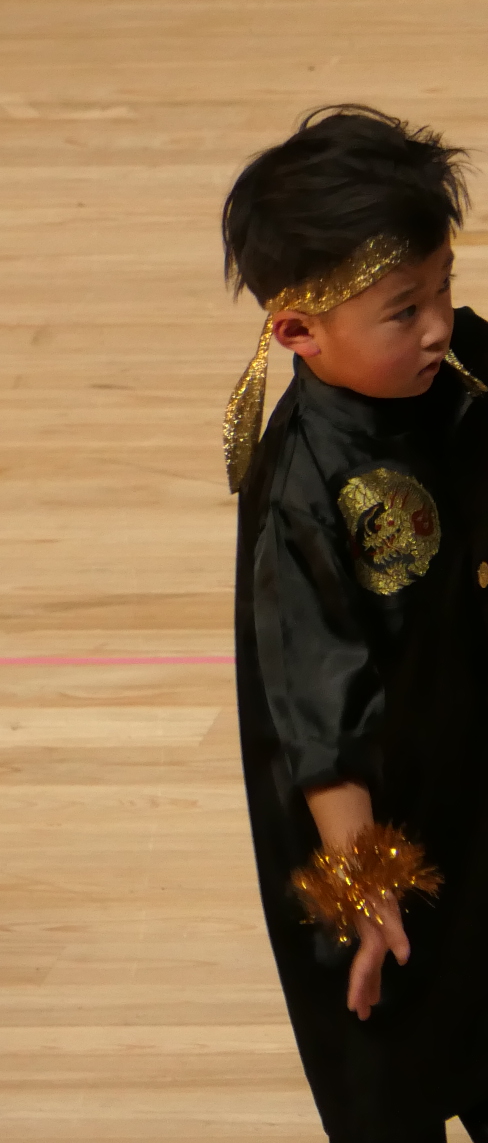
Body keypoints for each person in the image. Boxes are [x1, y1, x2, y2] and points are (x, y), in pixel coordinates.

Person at [223, 104, 488, 1141]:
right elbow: (318, 712)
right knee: (395, 1066)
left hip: (472, 776)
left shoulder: (457, 372)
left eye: (443, 288)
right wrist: (365, 886)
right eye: (402, 309)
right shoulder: (304, 489)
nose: (438, 325)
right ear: (299, 330)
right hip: (374, 838)